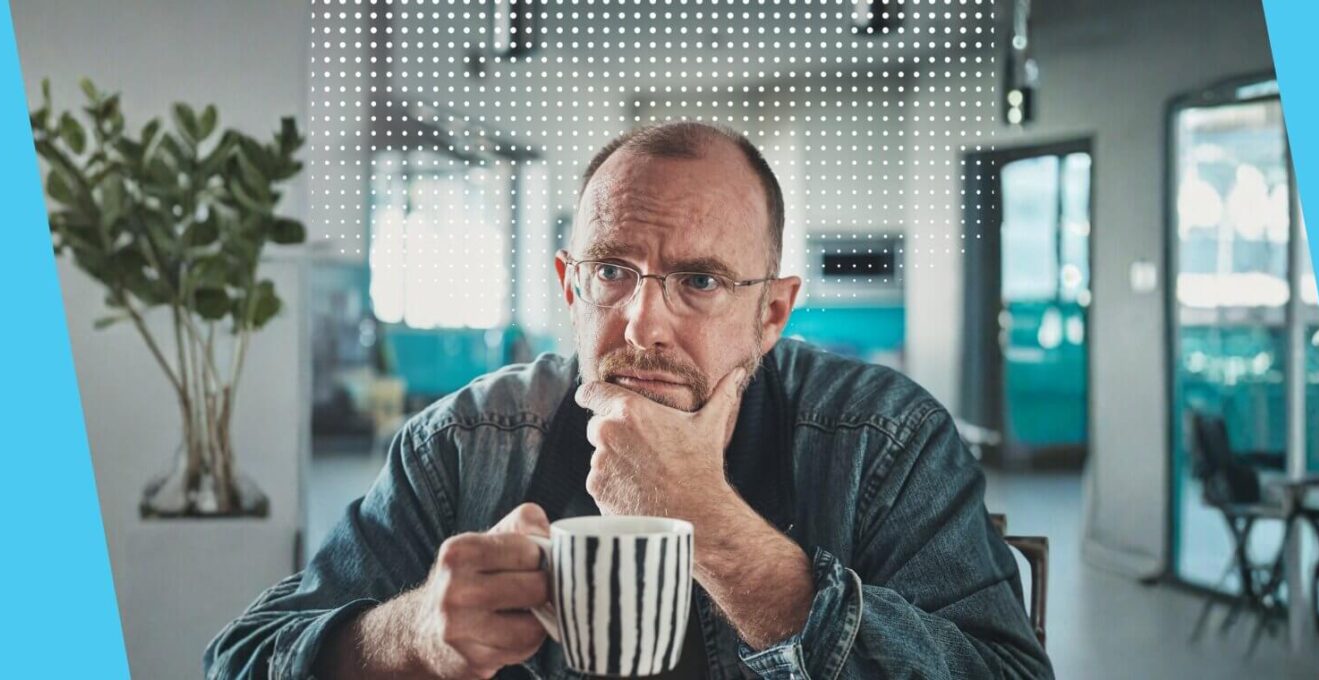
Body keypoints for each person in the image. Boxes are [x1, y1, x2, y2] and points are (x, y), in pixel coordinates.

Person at [206, 122, 1054, 679]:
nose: (643, 321)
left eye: (700, 280)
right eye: (613, 271)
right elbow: (239, 660)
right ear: (570, 286)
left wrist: (709, 521)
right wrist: (413, 632)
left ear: (771, 313)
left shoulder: (882, 439)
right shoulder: (469, 440)